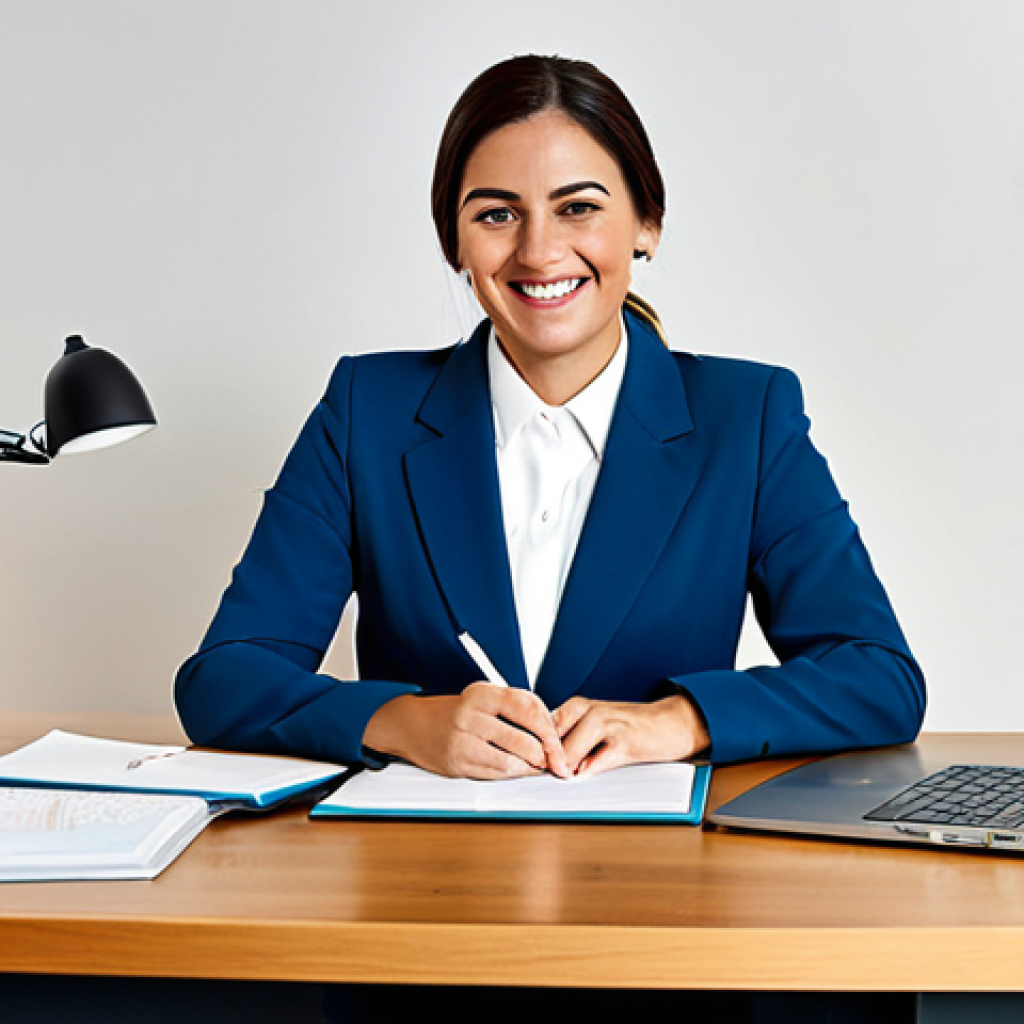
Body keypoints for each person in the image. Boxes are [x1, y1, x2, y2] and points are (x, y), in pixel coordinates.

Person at [175, 54, 923, 1024]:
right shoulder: (368, 407)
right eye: (496, 213)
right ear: (455, 238)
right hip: (416, 943)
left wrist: (677, 720)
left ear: (644, 225)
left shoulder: (745, 414)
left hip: (664, 943)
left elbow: (877, 673)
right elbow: (223, 677)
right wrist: (404, 721)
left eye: (577, 208)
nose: (537, 251)